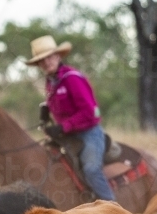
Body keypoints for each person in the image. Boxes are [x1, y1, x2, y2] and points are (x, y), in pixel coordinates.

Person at [26, 34, 116, 202]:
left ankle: (113, 207)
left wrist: (63, 127)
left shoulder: (72, 78)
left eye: (49, 57)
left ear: (58, 56)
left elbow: (90, 112)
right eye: (41, 60)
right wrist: (46, 109)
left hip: (89, 133)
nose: (46, 62)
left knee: (91, 170)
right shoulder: (51, 82)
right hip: (68, 135)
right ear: (38, 64)